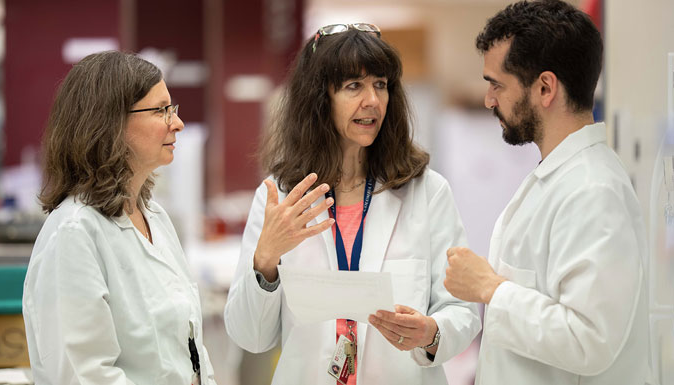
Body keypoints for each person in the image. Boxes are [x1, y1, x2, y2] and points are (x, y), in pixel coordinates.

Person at [224, 23, 481, 385]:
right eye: (353, 86)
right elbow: (249, 335)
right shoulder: (280, 196)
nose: (373, 101)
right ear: (319, 99)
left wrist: (432, 332)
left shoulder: (426, 192)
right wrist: (265, 261)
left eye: (380, 84)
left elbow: (463, 309)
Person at [443, 1, 652, 384]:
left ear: (544, 88)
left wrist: (489, 288)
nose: (489, 100)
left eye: (496, 85)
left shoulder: (592, 191)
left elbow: (590, 339)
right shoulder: (559, 179)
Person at [22, 51, 216, 385]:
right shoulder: (74, 233)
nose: (177, 123)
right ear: (109, 124)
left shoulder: (154, 216)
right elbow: (83, 375)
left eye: (173, 109)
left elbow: (189, 347)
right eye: (160, 110)